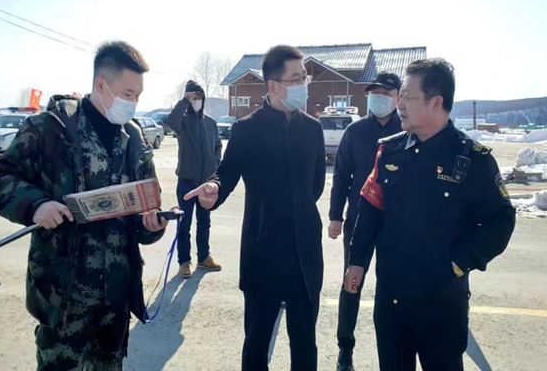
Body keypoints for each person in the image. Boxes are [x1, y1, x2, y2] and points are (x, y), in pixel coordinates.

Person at [0, 40, 173, 371]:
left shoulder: (133, 139)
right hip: (63, 298)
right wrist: (36, 206)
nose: (133, 103)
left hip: (115, 299)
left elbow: (145, 207)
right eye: (128, 94)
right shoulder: (51, 129)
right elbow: (2, 179)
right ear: (101, 85)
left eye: (138, 96)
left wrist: (152, 225)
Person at [344, 58, 516, 371]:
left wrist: (459, 263)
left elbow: (500, 221)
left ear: (436, 102)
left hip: (441, 302)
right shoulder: (389, 151)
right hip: (392, 298)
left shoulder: (472, 159)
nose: (399, 105)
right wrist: (357, 260)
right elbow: (370, 209)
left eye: (408, 97)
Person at [185, 45, 326, 370]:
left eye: (304, 77)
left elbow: (316, 185)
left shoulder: (312, 129)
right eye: (295, 78)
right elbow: (226, 172)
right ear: (274, 86)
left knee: (305, 342)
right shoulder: (247, 128)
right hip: (263, 253)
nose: (303, 84)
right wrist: (214, 188)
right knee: (257, 343)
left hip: (305, 253)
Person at [328, 71, 403, 371]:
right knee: (351, 283)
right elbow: (341, 176)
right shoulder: (355, 131)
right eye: (374, 93)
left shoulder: (407, 130)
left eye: (385, 93)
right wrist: (335, 216)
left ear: (398, 97)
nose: (378, 98)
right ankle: (345, 347)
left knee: (392, 289)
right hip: (358, 222)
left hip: (396, 225)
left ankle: (394, 349)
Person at [164, 80, 223, 278]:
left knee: (204, 223)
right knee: (184, 224)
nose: (195, 99)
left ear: (203, 98)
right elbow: (170, 122)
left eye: (198, 96)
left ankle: (204, 257)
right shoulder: (182, 122)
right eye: (191, 96)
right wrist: (183, 101)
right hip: (186, 183)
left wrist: (215, 166)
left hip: (206, 184)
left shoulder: (210, 123)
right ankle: (184, 262)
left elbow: (217, 146)